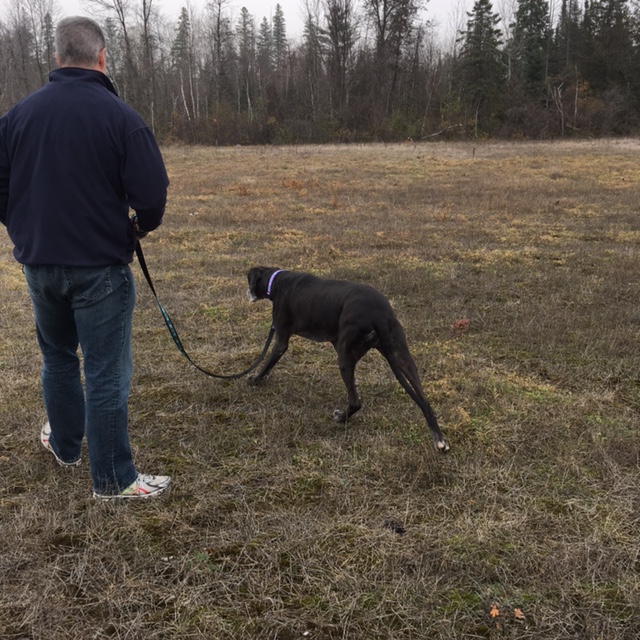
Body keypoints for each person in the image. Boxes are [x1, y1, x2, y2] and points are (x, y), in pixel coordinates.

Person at [0, 16, 171, 499]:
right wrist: (139, 227)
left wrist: (25, 228)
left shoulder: (18, 116)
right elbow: (152, 195)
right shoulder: (121, 117)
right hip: (99, 269)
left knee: (57, 357)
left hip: (40, 264)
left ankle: (66, 445)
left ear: (58, 57)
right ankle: (111, 478)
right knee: (104, 371)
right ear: (102, 57)